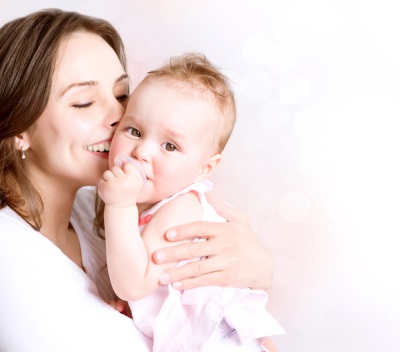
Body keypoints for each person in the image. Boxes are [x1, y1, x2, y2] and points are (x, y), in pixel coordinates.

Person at [0, 8, 275, 351]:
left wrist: (258, 269)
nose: (120, 118)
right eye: (84, 103)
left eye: (121, 95)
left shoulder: (95, 211)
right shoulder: (12, 254)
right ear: (18, 130)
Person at [98, 53, 284, 351]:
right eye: (134, 131)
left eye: (169, 145)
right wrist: (136, 308)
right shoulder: (156, 206)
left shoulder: (180, 208)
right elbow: (151, 285)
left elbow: (132, 282)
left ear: (204, 168)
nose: (142, 152)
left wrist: (118, 205)